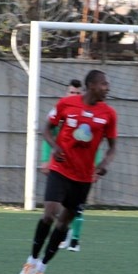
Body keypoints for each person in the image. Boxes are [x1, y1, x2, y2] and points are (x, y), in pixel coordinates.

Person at [17, 70, 118, 274]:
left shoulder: (109, 114)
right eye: (104, 84)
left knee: (64, 223)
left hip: (83, 178)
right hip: (60, 169)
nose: (107, 87)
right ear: (91, 85)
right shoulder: (66, 104)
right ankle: (31, 260)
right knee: (49, 213)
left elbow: (112, 148)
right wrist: (55, 148)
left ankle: (42, 269)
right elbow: (46, 129)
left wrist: (103, 166)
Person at [39, 79, 92, 252]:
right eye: (72, 92)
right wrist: (47, 159)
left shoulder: (88, 113)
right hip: (60, 166)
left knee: (76, 206)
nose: (75, 95)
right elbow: (48, 136)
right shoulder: (60, 109)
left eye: (78, 93)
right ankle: (66, 232)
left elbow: (94, 143)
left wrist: (95, 165)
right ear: (66, 93)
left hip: (80, 167)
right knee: (54, 206)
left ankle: (74, 238)